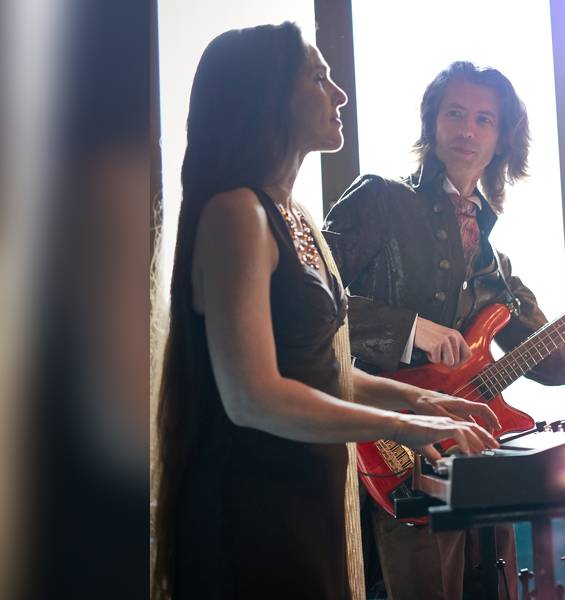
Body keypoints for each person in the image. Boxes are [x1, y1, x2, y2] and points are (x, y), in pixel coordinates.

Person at [150, 24, 499, 600]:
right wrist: (404, 426)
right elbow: (253, 397)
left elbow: (323, 369)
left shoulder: (298, 217)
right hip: (252, 505)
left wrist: (421, 400)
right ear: (267, 96)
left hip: (309, 494)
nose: (340, 94)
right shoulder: (237, 213)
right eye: (319, 78)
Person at [324, 60, 565, 599]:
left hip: (481, 465)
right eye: (455, 114)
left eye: (484, 120)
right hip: (389, 450)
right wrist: (409, 329)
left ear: (501, 140)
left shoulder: (495, 265)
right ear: (432, 123)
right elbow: (310, 306)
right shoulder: (379, 199)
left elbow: (553, 362)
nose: (467, 130)